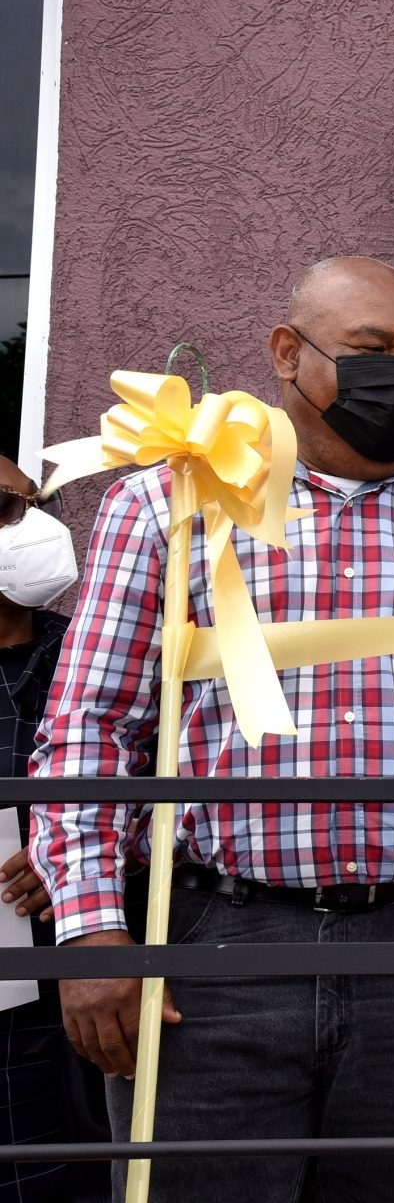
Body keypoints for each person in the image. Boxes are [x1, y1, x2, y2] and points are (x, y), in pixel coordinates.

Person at [30, 256, 394, 1203]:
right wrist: (90, 936)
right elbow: (89, 726)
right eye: (373, 352)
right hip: (212, 951)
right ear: (288, 354)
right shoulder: (168, 505)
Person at [0, 460, 109, 1201]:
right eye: (10, 509)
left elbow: (137, 776)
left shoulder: (80, 655)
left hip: (61, 985)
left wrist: (61, 848)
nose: (37, 525)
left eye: (37, 504)